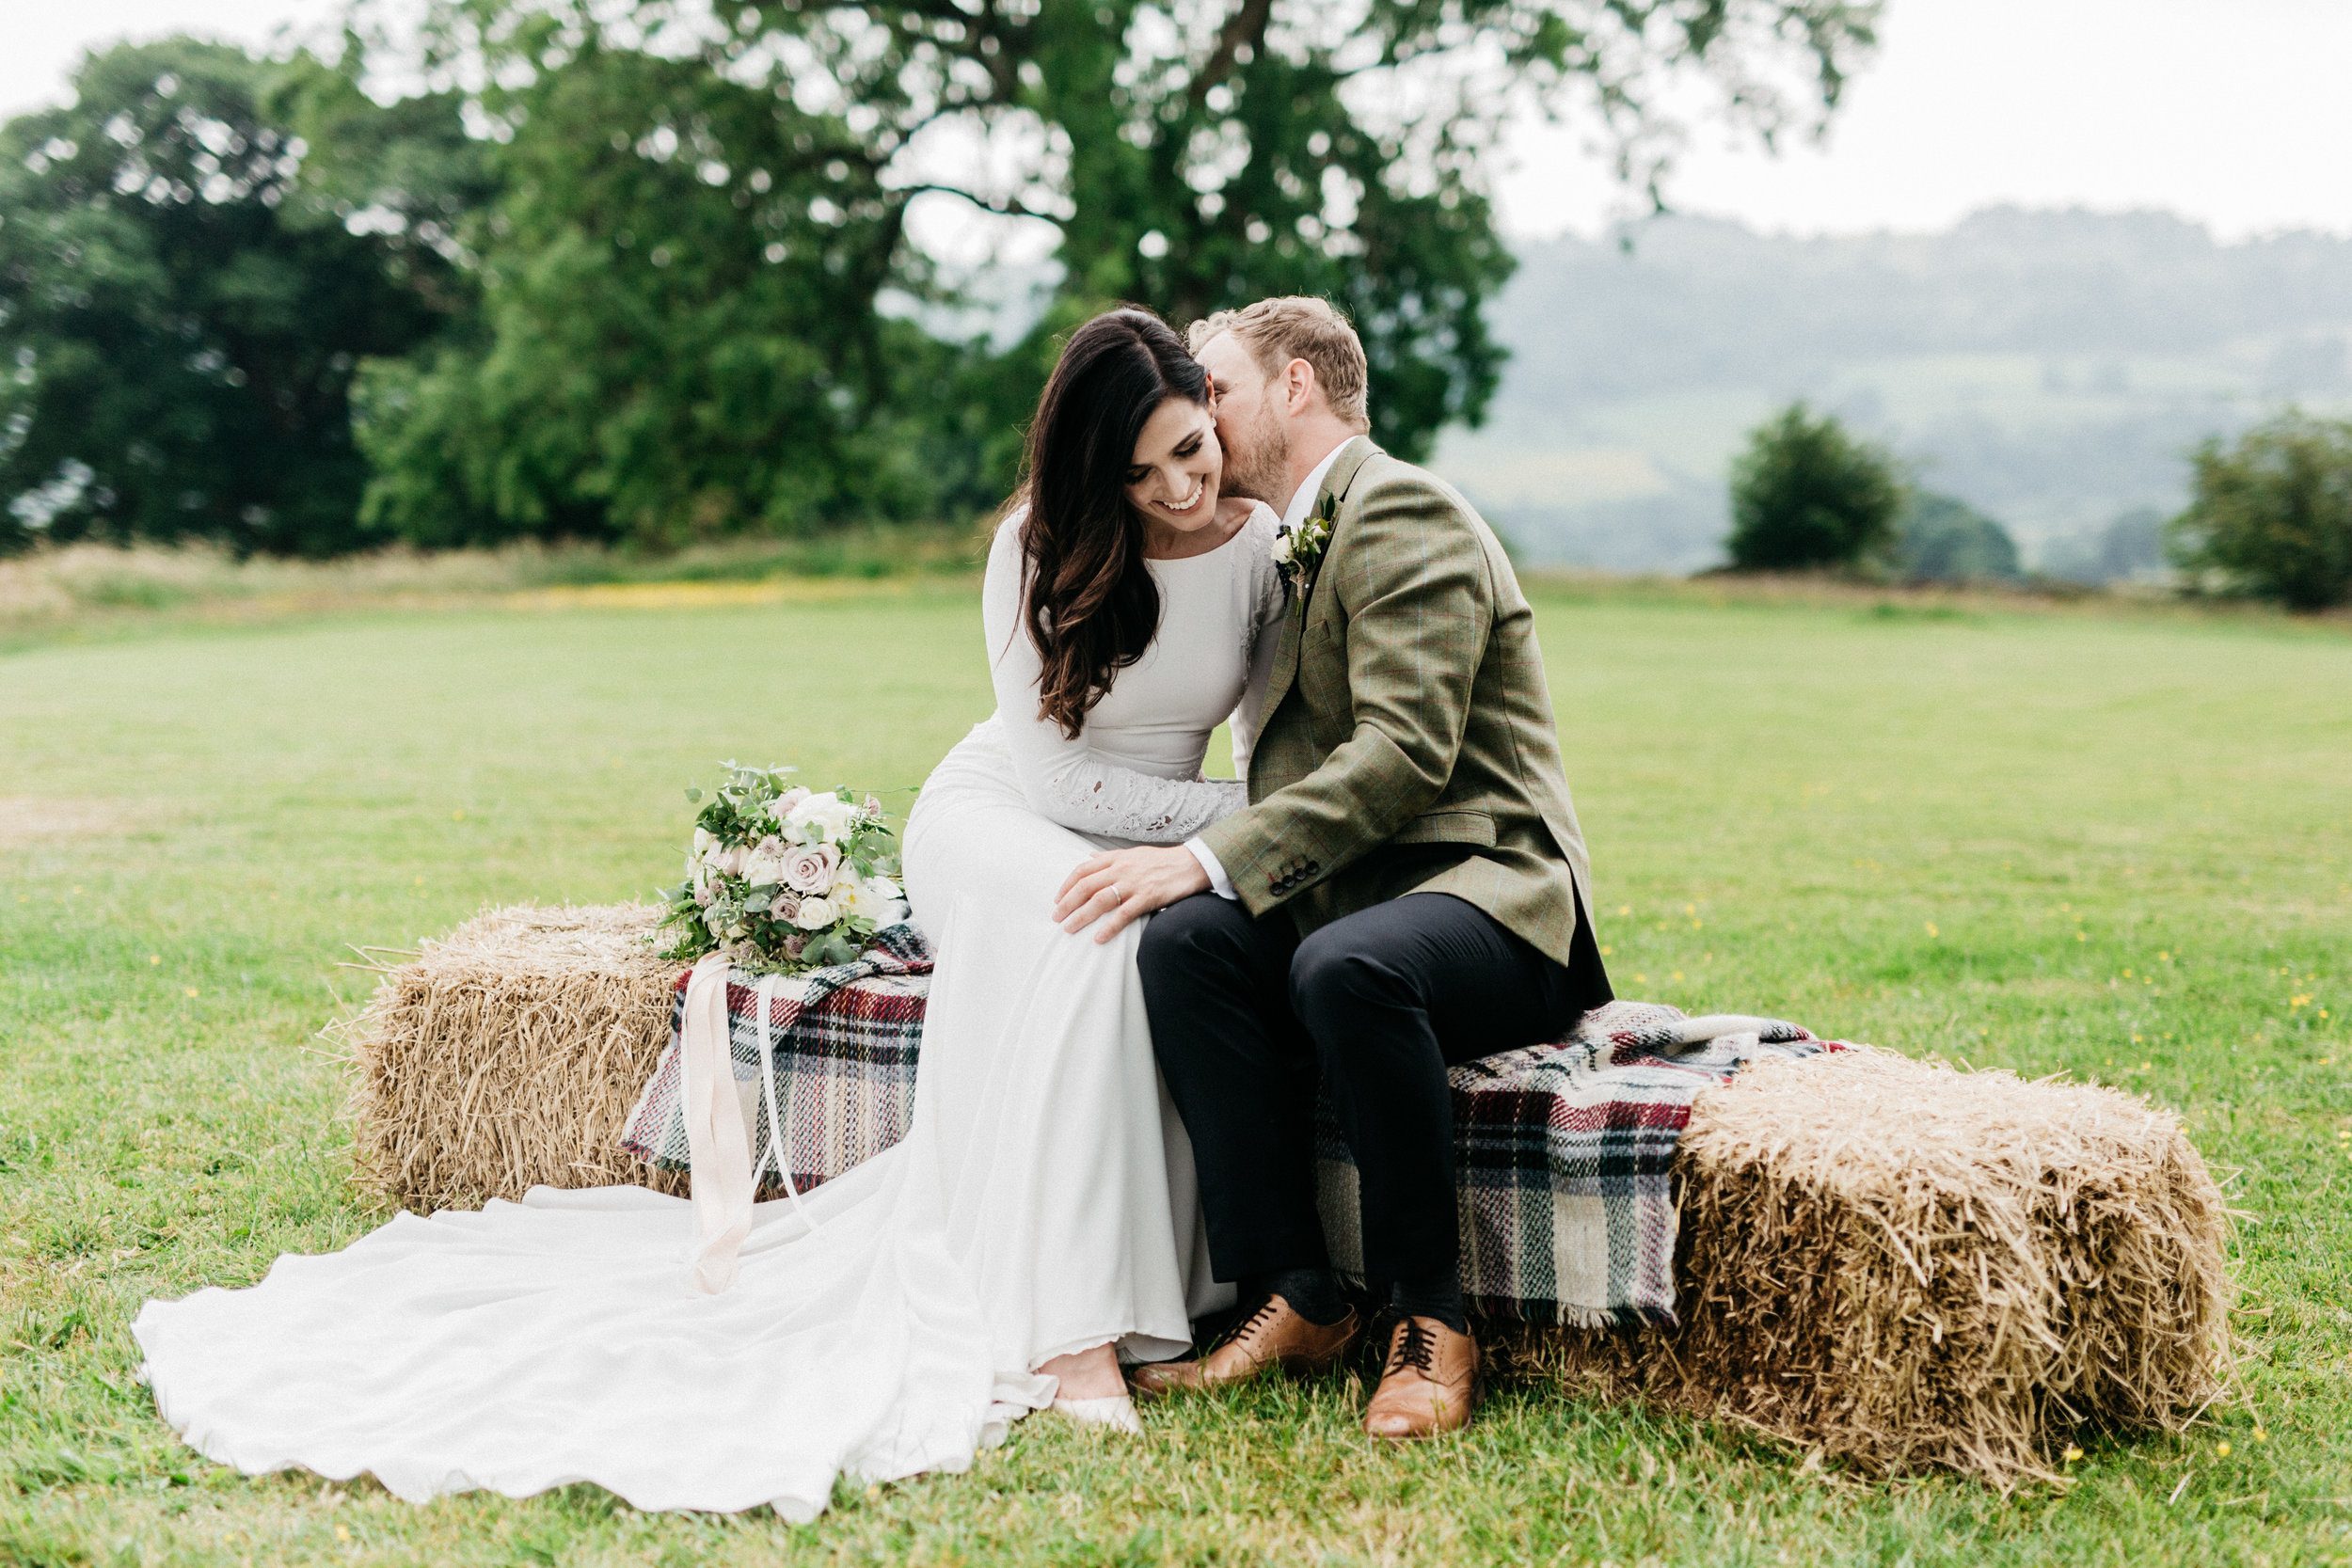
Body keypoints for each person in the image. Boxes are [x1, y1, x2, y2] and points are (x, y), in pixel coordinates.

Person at [129, 309, 1286, 1516]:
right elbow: (1056, 780)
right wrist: (1217, 814)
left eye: (1190, 452)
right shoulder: (1033, 545)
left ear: (1214, 407)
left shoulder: (1259, 549)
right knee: (1081, 928)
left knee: (1129, 941)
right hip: (1003, 811)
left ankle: (1131, 1280)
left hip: (1144, 826)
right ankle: (1071, 1331)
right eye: (1136, 471)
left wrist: (1224, 831)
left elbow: (1268, 751)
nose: (1173, 489)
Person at [1051, 296, 1613, 1440]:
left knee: (1345, 967)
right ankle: (1294, 1292)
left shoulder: (1402, 508)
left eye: (1214, 387)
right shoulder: (1285, 534)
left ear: (1295, 386)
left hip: (1492, 897)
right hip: (1368, 896)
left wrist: (1205, 852)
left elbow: (1404, 756)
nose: (1197, 413)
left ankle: (1429, 1318)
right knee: (1189, 940)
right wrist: (1192, 877)